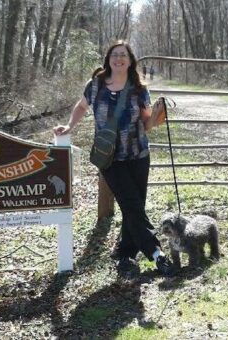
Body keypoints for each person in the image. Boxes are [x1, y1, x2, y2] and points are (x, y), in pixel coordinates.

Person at [53, 41, 175, 277]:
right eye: (114, 55)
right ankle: (156, 254)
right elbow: (80, 107)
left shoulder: (139, 89)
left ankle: (125, 253)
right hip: (110, 158)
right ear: (108, 59)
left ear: (130, 61)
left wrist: (159, 114)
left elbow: (146, 124)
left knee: (134, 207)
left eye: (123, 55)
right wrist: (69, 126)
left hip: (138, 154)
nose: (119, 59)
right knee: (130, 203)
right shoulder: (96, 85)